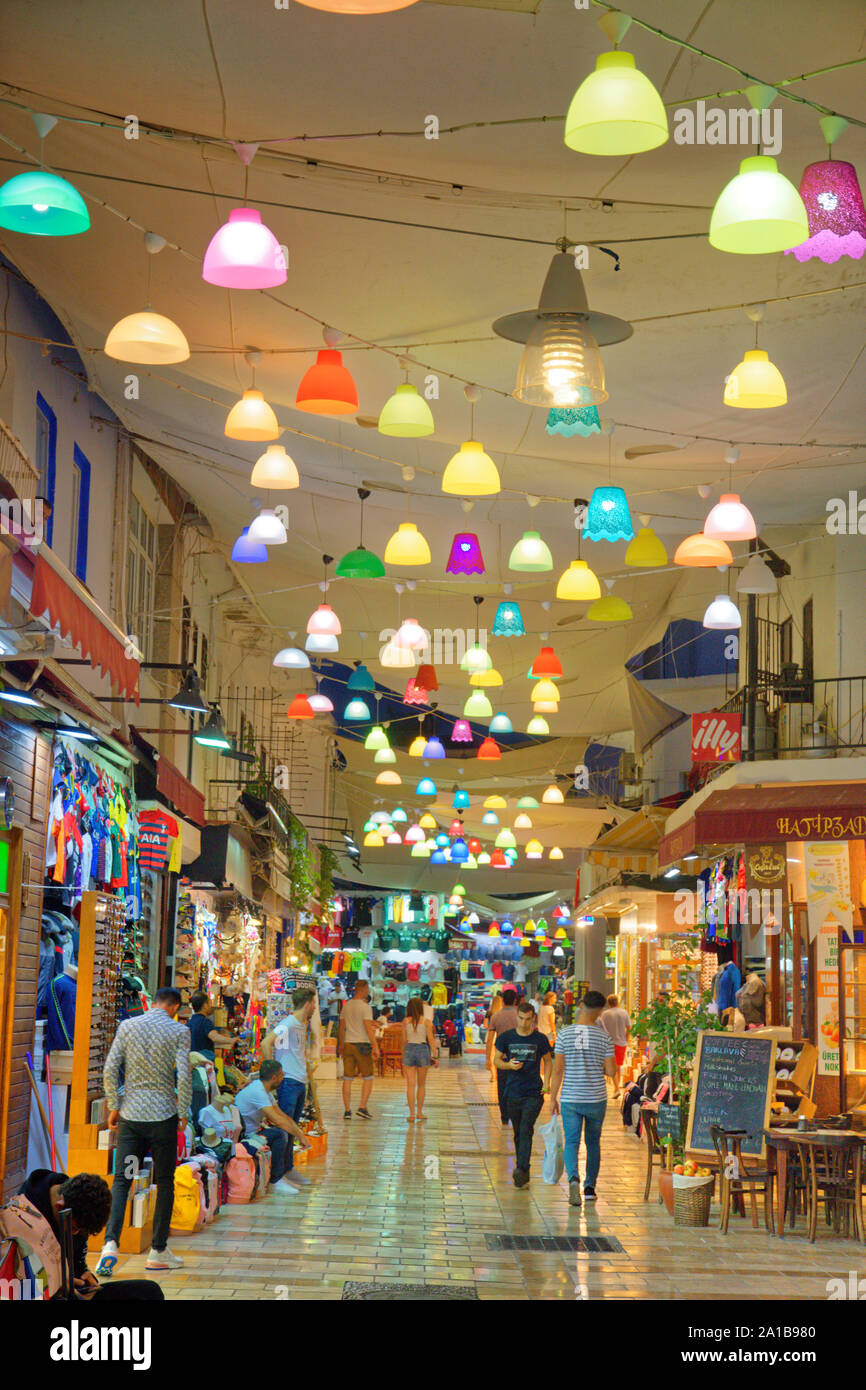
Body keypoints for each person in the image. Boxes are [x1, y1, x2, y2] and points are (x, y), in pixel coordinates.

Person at [97, 986, 191, 1277]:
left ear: (153, 1003)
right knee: (165, 1182)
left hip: (131, 1118)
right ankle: (158, 1250)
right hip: (162, 1117)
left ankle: (110, 1243)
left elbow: (110, 1069)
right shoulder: (178, 1032)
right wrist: (184, 1112)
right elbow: (185, 1075)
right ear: (174, 1007)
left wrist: (115, 1104)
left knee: (123, 1180)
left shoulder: (128, 1026)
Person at [18, 1169, 163, 1300]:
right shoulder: (23, 1215)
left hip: (70, 1292)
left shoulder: (79, 1206)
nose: (76, 1234)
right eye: (74, 1228)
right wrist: (61, 1285)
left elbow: (77, 1265)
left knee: (150, 1292)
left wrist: (87, 1279)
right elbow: (22, 1286)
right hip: (45, 1294)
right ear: (59, 1207)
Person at [549, 989, 617, 1208]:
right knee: (593, 1142)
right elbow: (612, 1071)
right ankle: (589, 1188)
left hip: (571, 1097)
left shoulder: (565, 1034)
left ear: (580, 1005)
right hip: (596, 1098)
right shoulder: (603, 1037)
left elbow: (558, 1070)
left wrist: (552, 1097)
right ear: (599, 1012)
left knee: (572, 1142)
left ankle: (573, 1179)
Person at [495, 999, 553, 1188]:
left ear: (533, 1019)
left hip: (533, 1092)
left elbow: (548, 1061)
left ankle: (521, 1168)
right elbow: (497, 1061)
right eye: (520, 1018)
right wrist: (508, 1065)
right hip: (512, 1091)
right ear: (517, 1017)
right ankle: (523, 1170)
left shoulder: (540, 1039)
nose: (523, 1023)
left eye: (527, 1019)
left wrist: (547, 1084)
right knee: (518, 1132)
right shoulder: (507, 1038)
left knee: (526, 1128)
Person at [261, 988, 316, 1189]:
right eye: (314, 1003)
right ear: (308, 1003)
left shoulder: (300, 1025)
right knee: (283, 1128)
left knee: (291, 1128)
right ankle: (277, 1177)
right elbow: (266, 1044)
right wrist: (272, 1073)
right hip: (289, 1082)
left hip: (299, 1081)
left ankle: (287, 1168)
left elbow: (283, 1049)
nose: (315, 1008)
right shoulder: (289, 1023)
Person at [234, 1059, 312, 1193]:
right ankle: (275, 1181)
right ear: (274, 1077)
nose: (283, 1078)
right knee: (280, 1134)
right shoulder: (258, 1091)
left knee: (282, 1131)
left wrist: (299, 1133)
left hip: (253, 1132)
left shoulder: (263, 1089)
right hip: (245, 1137)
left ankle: (284, 1172)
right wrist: (299, 1135)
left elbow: (282, 1115)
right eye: (282, 1075)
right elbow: (277, 1120)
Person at [339, 980, 379, 1119]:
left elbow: (341, 1027)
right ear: (363, 989)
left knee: (347, 1078)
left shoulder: (346, 1006)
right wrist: (375, 1046)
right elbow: (368, 1028)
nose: (368, 992)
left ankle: (347, 1110)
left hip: (348, 1043)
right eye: (367, 989)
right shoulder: (365, 1007)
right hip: (362, 1045)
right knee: (368, 1077)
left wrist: (340, 1044)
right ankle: (362, 1106)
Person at [400, 996, 439, 1123]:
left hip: (409, 1049)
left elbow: (403, 1040)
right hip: (423, 1049)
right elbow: (431, 1040)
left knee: (410, 1085)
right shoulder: (426, 1021)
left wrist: (402, 1054)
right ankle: (419, 1112)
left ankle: (411, 1114)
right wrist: (435, 1056)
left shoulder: (405, 1021)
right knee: (421, 1085)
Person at [486, 988, 519, 1125]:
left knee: (502, 1087)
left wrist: (488, 1058)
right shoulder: (520, 1016)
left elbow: (489, 1040)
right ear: (515, 1000)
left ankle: (504, 1116)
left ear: (503, 1000)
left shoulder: (495, 1017)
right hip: (519, 1056)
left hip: (502, 1058)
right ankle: (516, 1114)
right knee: (518, 1086)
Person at [186, 991, 234, 1062]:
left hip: (192, 1065)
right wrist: (232, 1040)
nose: (211, 1006)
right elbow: (215, 1037)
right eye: (210, 1002)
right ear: (205, 1006)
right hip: (204, 1066)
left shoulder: (188, 1023)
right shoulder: (205, 1022)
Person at [599, 993, 631, 1098]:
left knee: (609, 1065)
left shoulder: (605, 1014)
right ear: (617, 1002)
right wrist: (626, 1038)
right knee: (618, 1065)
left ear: (608, 1003)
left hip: (609, 1042)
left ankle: (616, 1087)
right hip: (621, 1043)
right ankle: (616, 1086)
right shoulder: (624, 1012)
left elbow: (601, 1028)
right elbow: (629, 1027)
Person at [484, 994, 504, 1078]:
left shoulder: (489, 1012)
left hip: (490, 1034)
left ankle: (492, 1074)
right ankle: (497, 1072)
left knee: (491, 1055)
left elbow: (485, 1024)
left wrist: (491, 1028)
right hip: (499, 1034)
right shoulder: (502, 1012)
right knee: (498, 1055)